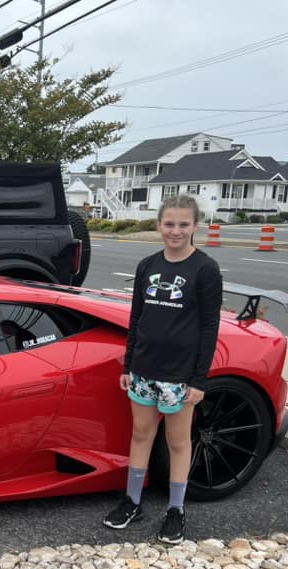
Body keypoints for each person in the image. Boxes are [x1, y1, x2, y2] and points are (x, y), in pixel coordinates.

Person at [103, 195, 222, 544]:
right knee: (141, 434)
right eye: (169, 223)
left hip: (179, 375)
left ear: (195, 226)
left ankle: (175, 509)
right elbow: (136, 317)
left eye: (184, 224)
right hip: (143, 369)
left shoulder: (205, 269)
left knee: (178, 441)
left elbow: (209, 327)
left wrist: (199, 379)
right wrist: (129, 364)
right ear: (158, 225)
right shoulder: (148, 265)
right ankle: (132, 501)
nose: (176, 231)